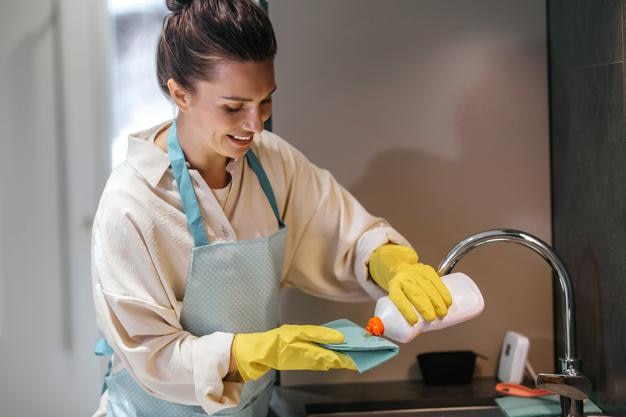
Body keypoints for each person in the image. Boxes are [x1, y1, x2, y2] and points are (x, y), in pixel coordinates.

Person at [91, 0, 452, 416]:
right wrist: (261, 350)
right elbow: (153, 357)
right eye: (234, 107)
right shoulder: (132, 203)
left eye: (265, 101)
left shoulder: (271, 162)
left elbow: (345, 234)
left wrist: (394, 265)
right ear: (179, 94)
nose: (256, 124)